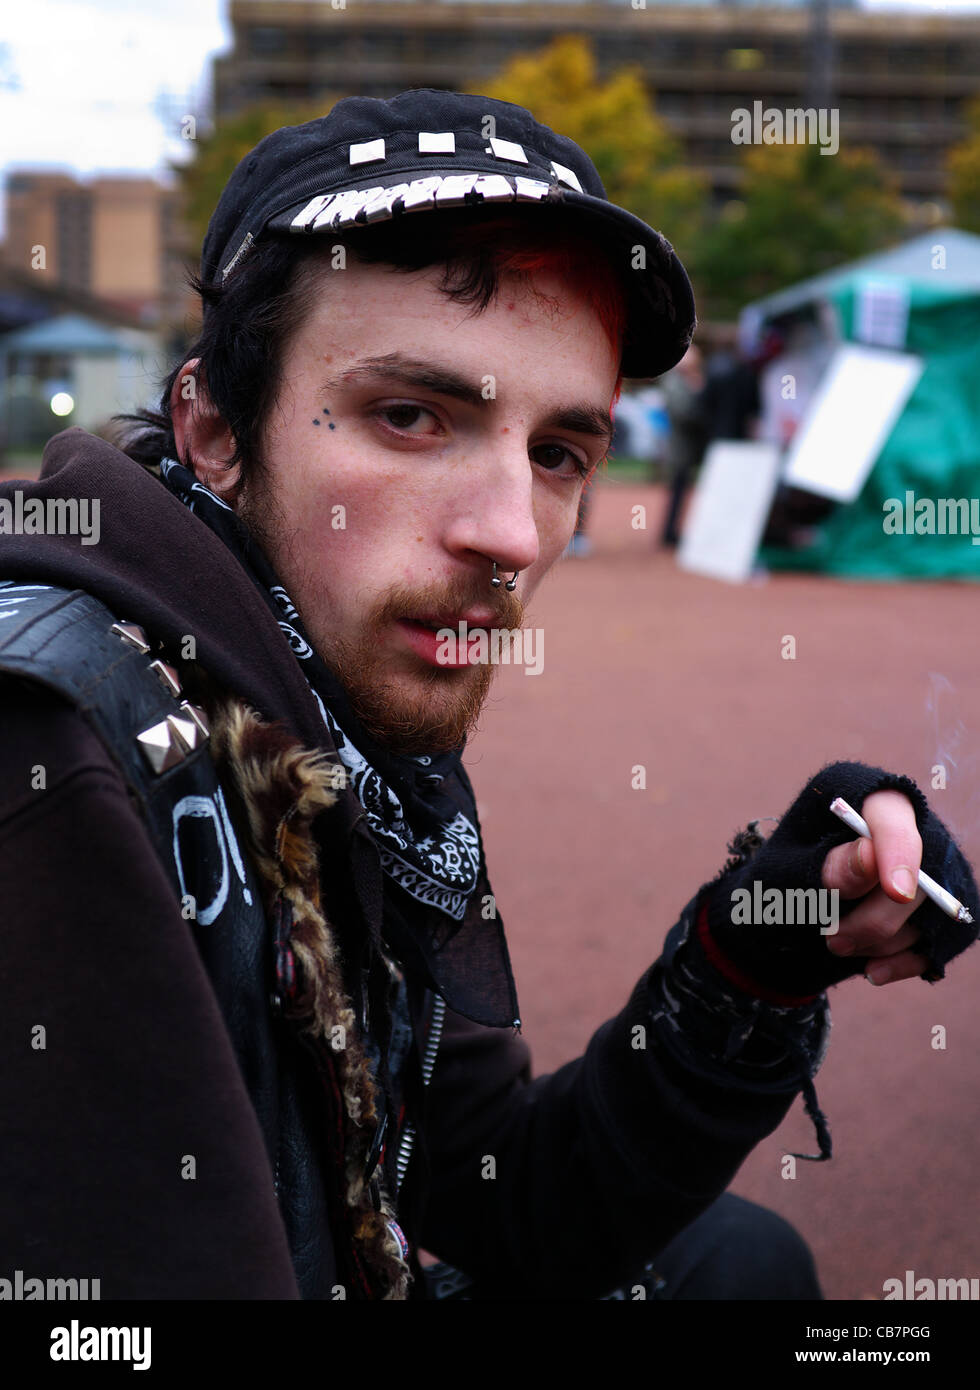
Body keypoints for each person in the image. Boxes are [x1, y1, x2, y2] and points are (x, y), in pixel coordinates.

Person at [1, 89, 976, 1302]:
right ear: (212, 430)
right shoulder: (61, 753)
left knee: (738, 1263)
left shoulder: (326, 712)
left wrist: (753, 956)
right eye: (411, 416)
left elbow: (487, 1187)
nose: (511, 533)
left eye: (557, 451)